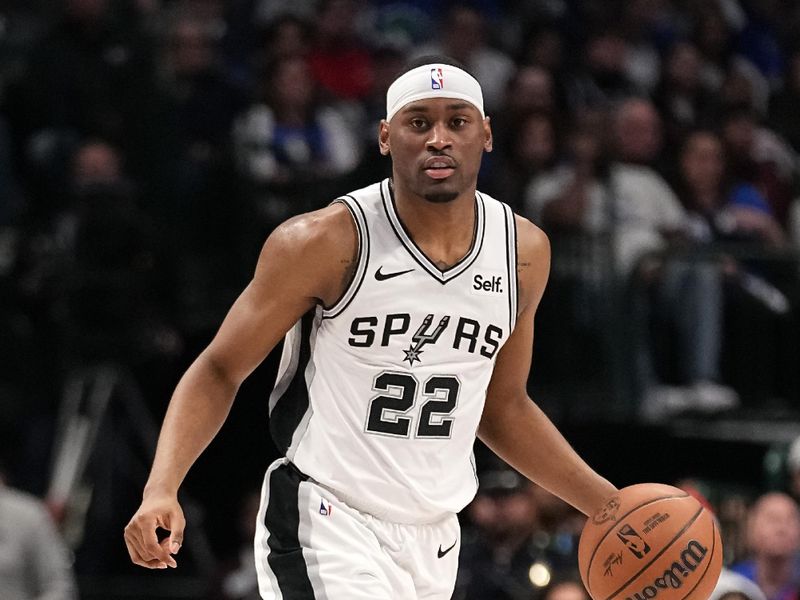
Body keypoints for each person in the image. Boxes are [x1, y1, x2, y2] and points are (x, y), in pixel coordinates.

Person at [124, 55, 617, 599]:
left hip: (436, 537)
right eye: (418, 122)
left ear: (487, 134)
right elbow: (219, 368)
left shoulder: (523, 251)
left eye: (457, 121)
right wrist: (161, 486)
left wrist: (608, 506)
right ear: (385, 137)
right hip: (326, 518)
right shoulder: (322, 242)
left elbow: (502, 408)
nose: (438, 139)